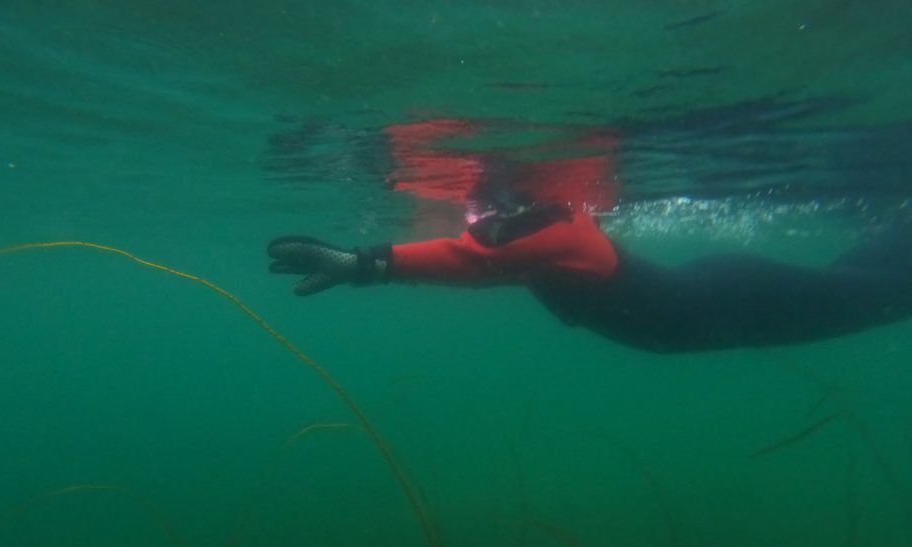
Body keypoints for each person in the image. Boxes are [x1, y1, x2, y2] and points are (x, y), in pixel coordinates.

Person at [266, 188, 912, 353]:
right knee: (861, 282)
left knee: (882, 293)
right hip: (712, 300)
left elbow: (470, 263)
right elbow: (483, 264)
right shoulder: (521, 233)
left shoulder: (551, 227)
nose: (473, 207)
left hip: (727, 301)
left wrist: (358, 265)